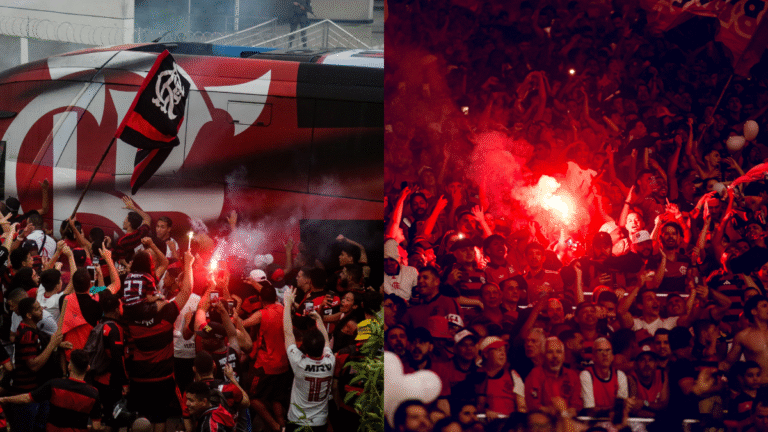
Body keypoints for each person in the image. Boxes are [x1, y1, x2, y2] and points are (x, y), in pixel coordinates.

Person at [0, 349, 101, 432]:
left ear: (69, 366)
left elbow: (27, 398)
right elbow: (96, 426)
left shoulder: (55, 385)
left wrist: (4, 399)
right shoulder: (93, 393)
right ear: (88, 368)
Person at [283, 287, 335, 432]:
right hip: (320, 422)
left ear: (304, 348)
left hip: (297, 421)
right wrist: (318, 318)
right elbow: (326, 341)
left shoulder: (299, 363)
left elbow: (288, 334)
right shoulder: (330, 361)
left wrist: (287, 304)